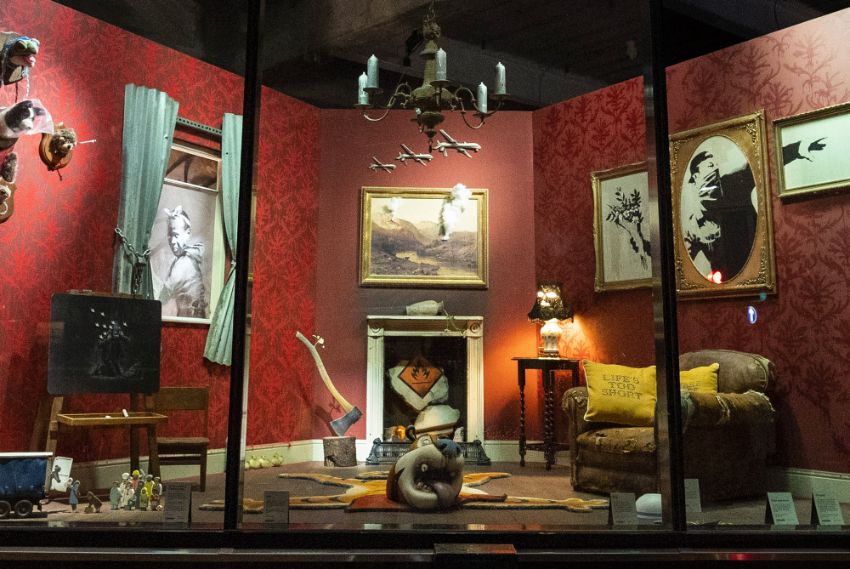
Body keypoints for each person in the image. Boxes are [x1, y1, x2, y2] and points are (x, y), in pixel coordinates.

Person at [680, 149, 757, 280]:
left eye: (716, 165)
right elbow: (683, 266)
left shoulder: (732, 184)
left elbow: (753, 170)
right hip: (724, 280)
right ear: (695, 177)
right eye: (710, 165)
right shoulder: (693, 225)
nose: (716, 168)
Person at [159, 206, 207, 318]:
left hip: (189, 318)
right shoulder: (192, 255)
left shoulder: (183, 262)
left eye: (176, 235)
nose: (172, 241)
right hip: (194, 317)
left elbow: (163, 297)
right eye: (169, 235)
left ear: (188, 233)